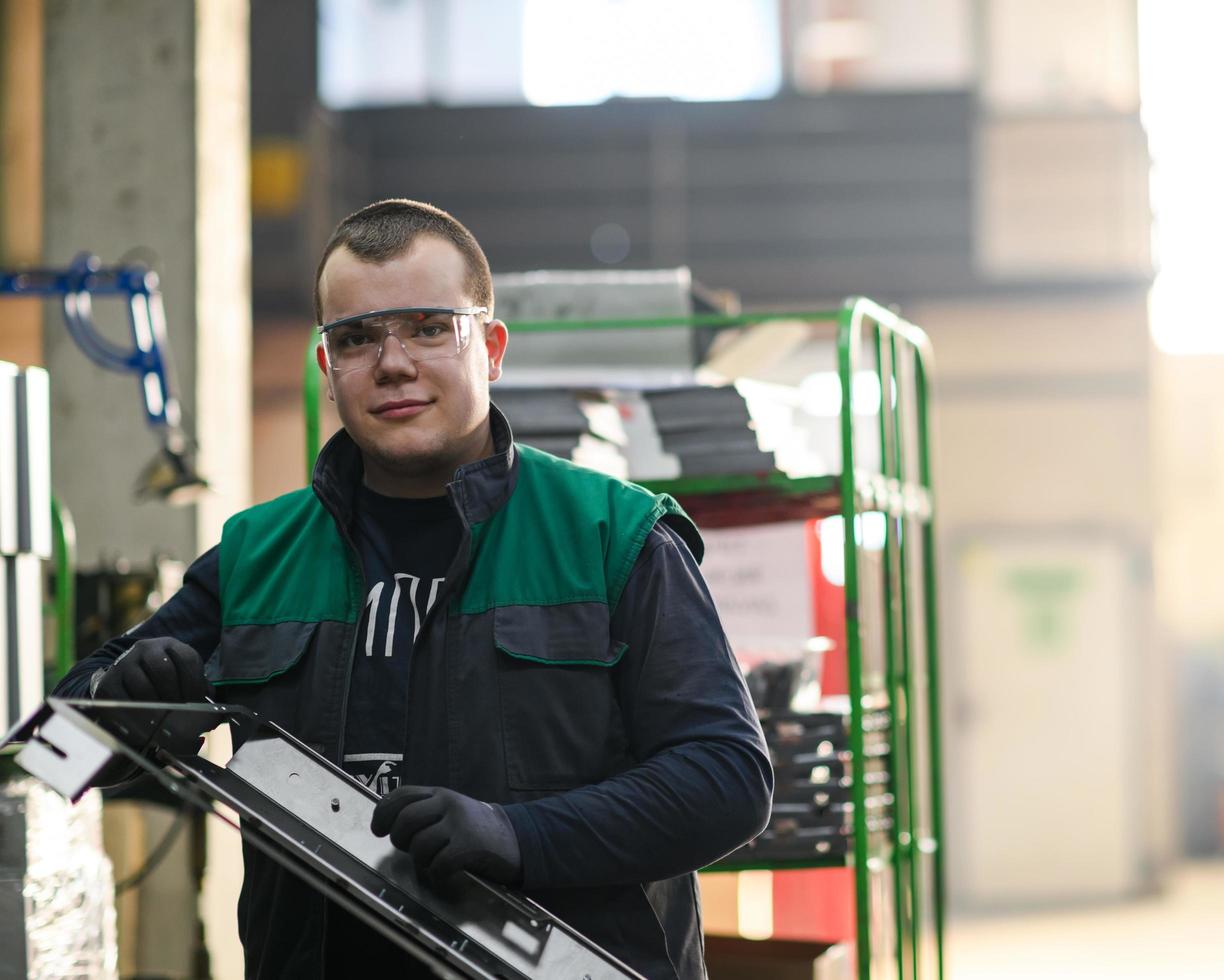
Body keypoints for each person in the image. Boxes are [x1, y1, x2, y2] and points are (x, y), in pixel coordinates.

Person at [53, 198, 774, 979]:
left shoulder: (614, 538)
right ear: (329, 369)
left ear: (491, 348)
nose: (393, 362)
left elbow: (728, 780)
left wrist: (520, 837)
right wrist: (118, 707)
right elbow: (54, 755)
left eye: (430, 327)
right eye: (357, 337)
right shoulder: (256, 555)